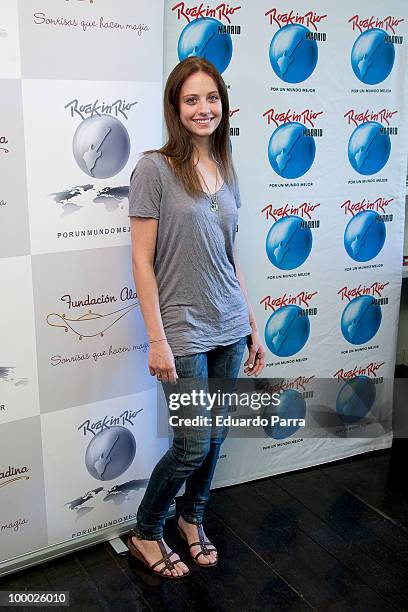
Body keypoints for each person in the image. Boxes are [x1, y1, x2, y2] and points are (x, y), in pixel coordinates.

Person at [127, 57, 265, 579]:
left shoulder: (227, 167)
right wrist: (156, 338)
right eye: (191, 100)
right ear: (175, 108)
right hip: (182, 327)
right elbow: (141, 260)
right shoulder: (153, 168)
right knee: (191, 443)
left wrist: (250, 322)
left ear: (223, 106)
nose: (203, 109)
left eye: (212, 99)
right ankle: (146, 530)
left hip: (230, 322)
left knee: (219, 433)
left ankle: (192, 518)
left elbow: (231, 255)